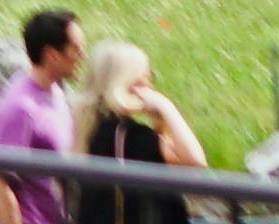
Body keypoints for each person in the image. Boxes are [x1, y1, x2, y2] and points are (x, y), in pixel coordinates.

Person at [80, 44, 202, 224]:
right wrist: (166, 107)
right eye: (146, 77)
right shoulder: (135, 138)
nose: (151, 84)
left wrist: (159, 124)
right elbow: (195, 161)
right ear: (129, 83)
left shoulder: (87, 126)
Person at [0, 11, 86, 224]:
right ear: (51, 55)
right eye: (76, 49)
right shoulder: (19, 108)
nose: (82, 55)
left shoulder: (55, 92)